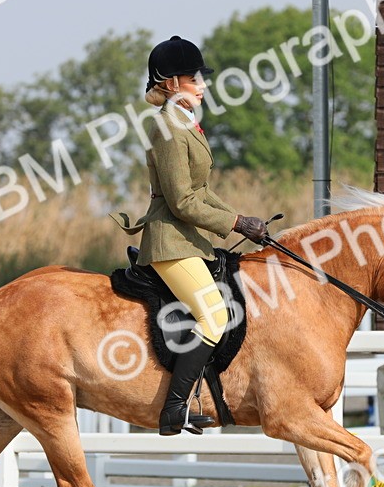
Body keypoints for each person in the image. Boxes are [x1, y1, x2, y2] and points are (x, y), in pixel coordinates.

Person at [111, 35, 269, 436]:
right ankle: (174, 409)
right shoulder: (167, 127)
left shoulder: (186, 124)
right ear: (169, 82)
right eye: (194, 77)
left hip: (188, 239)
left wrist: (242, 219)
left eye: (201, 77)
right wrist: (235, 224)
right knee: (214, 316)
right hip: (169, 241)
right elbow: (182, 201)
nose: (203, 84)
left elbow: (202, 192)